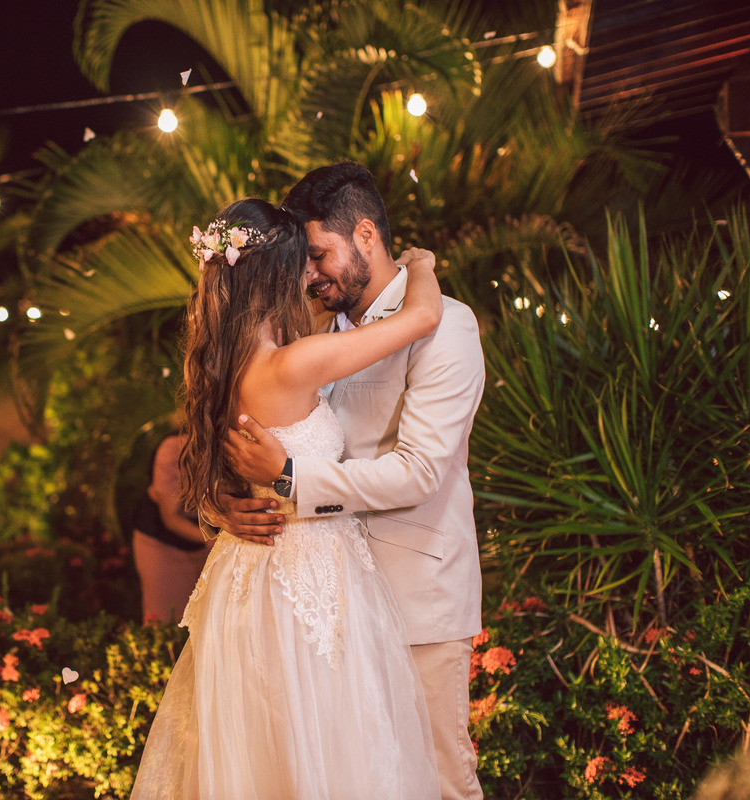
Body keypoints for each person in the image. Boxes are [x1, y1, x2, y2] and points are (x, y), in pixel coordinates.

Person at [131, 197, 444, 798]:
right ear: (277, 275)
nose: (313, 275)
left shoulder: (219, 368)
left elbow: (214, 473)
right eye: (304, 262)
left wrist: (224, 508)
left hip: (248, 576)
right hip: (311, 578)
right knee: (326, 747)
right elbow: (422, 318)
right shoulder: (294, 364)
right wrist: (422, 264)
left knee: (269, 751)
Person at [223, 162, 487, 800]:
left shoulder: (445, 325)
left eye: (318, 254)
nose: (309, 274)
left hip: (414, 598)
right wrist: (230, 510)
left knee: (439, 779)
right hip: (325, 602)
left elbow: (420, 470)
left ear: (365, 233)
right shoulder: (309, 332)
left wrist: (288, 478)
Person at [131, 431, 211, 624]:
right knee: (165, 619)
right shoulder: (173, 450)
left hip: (208, 539)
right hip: (162, 543)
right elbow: (171, 519)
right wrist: (217, 539)